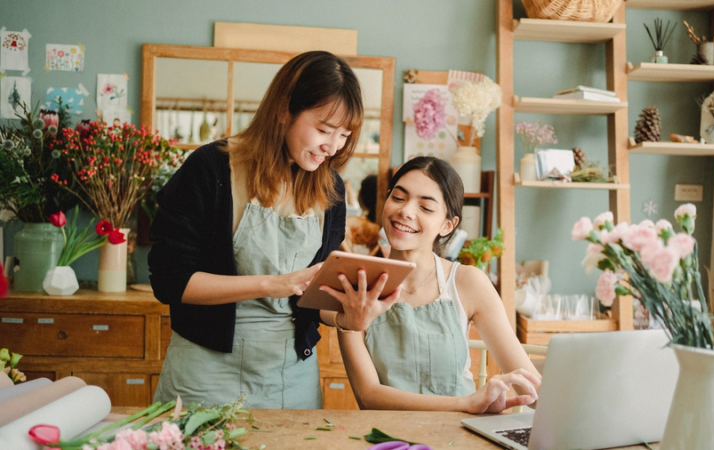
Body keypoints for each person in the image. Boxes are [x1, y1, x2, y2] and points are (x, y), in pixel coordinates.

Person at [148, 51, 400, 409]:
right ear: (284, 110)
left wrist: (349, 313)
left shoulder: (330, 189)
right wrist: (272, 284)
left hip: (291, 375)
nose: (333, 147)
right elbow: (170, 281)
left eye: (344, 135)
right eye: (324, 129)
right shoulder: (211, 169)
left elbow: (317, 301)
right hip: (204, 373)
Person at [324, 156, 542, 413]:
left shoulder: (467, 282)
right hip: (386, 438)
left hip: (459, 435)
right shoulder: (355, 285)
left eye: (426, 208)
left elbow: (531, 388)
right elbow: (368, 396)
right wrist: (467, 403)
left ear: (447, 225)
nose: (406, 211)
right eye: (398, 197)